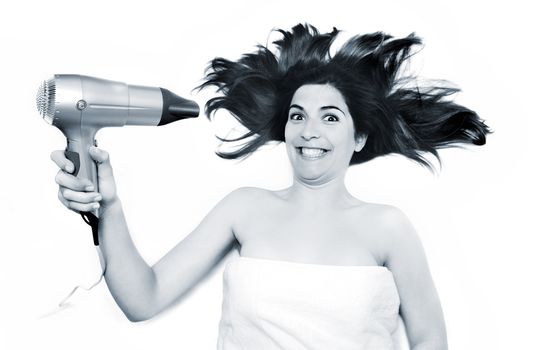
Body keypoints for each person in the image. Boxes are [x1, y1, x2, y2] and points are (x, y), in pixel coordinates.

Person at [51, 24, 490, 349]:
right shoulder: (244, 209)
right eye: (297, 115)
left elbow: (431, 337)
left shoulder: (388, 227)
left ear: (359, 138)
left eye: (330, 117)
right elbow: (142, 298)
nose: (308, 130)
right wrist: (107, 205)